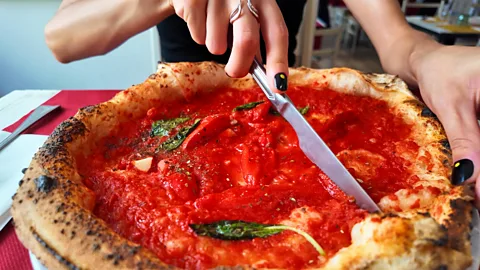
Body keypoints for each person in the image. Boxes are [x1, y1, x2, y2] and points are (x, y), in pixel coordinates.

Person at [44, 0, 480, 207]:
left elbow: (397, 39)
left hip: (289, 96)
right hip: (166, 124)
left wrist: (429, 56)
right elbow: (62, 38)